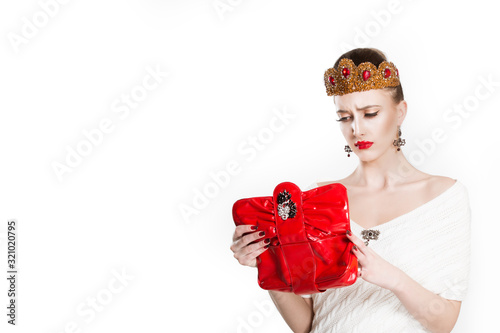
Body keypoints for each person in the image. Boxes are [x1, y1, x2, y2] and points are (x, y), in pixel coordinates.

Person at [230, 48, 471, 332]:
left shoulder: (442, 198)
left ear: (400, 112)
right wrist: (267, 264)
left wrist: (390, 277)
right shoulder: (315, 200)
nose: (356, 129)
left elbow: (443, 322)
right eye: (345, 117)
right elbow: (307, 325)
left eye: (370, 113)